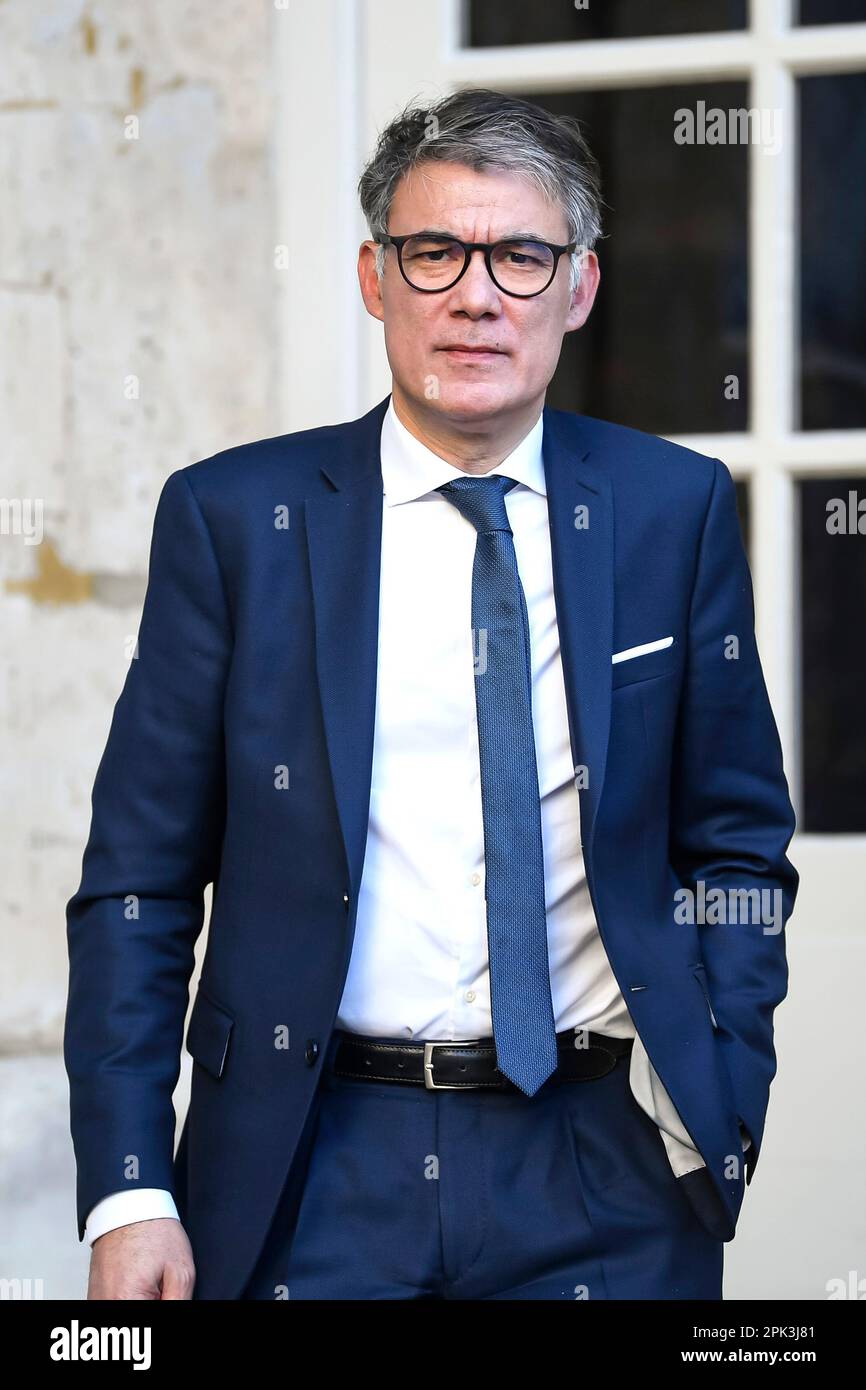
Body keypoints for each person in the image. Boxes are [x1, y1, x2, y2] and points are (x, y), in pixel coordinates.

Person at [64, 87, 798, 1300]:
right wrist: (131, 1186)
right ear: (374, 278)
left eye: (520, 254)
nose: (473, 295)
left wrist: (723, 1079)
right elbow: (137, 880)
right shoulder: (237, 519)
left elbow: (734, 842)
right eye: (433, 251)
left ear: (579, 287)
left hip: (600, 1160)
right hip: (312, 1163)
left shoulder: (672, 508)